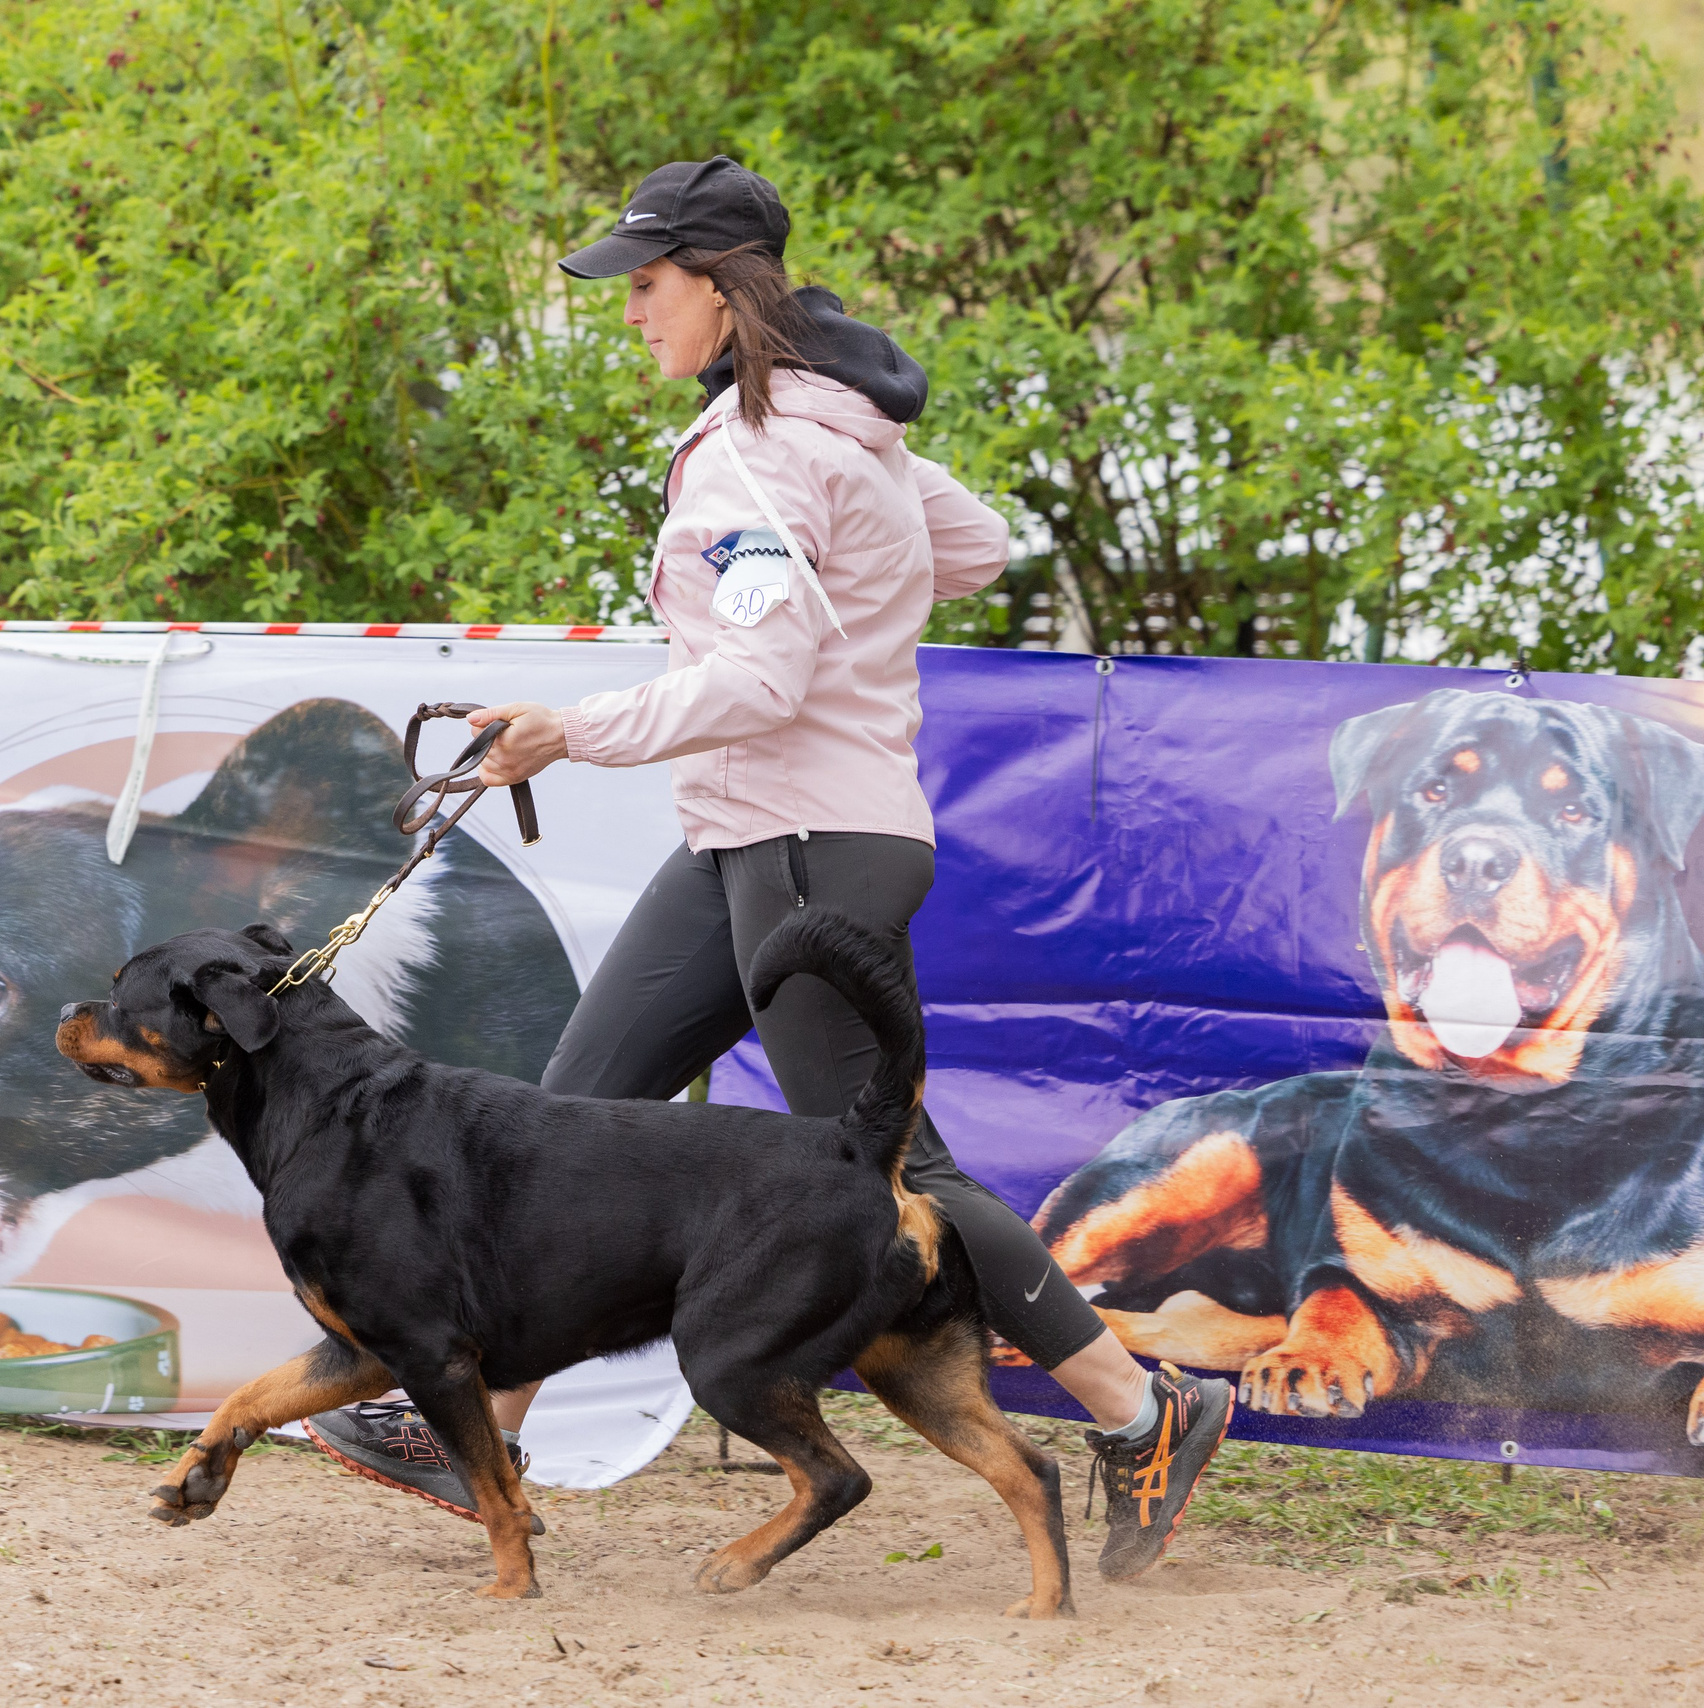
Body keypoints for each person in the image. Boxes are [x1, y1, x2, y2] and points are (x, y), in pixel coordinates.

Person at [305, 156, 1231, 1584]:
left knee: (893, 1170)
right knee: (575, 1109)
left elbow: (769, 668)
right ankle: (471, 1433)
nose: (631, 313)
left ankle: (1141, 1408)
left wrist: (574, 731)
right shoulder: (832, 433)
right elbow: (972, 548)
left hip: (808, 836)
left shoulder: (749, 450)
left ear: (725, 289)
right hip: (753, 832)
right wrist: (862, 496)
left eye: (651, 285)